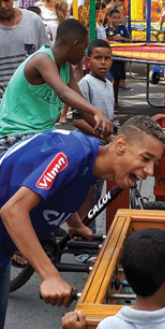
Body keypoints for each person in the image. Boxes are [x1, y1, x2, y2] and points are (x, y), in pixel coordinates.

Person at [0, 116, 165, 329]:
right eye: (145, 159)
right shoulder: (71, 155)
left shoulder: (91, 159)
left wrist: (75, 223)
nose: (150, 171)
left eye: (156, 163)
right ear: (120, 145)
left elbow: (62, 186)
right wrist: (50, 276)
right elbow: (13, 211)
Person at [0, 19, 113, 152]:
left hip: (41, 132)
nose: (84, 54)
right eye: (84, 48)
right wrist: (97, 111)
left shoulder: (65, 66)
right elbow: (64, 93)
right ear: (75, 45)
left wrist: (112, 140)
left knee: (88, 150)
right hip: (14, 133)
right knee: (72, 154)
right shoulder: (42, 60)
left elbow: (82, 107)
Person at [0, 0, 51, 140]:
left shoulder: (33, 21)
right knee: (4, 164)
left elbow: (49, 64)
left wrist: (52, 105)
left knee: (36, 163)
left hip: (35, 110)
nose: (3, 6)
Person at [73, 39, 116, 223]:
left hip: (105, 147)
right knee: (86, 194)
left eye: (107, 58)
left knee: (99, 195)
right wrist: (102, 134)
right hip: (89, 147)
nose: (103, 62)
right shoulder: (86, 84)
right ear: (87, 60)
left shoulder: (108, 84)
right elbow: (77, 120)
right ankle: (82, 235)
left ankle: (90, 232)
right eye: (98, 58)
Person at [105, 8, 133, 107]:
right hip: (110, 58)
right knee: (110, 80)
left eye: (118, 18)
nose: (116, 20)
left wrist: (121, 39)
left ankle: (115, 100)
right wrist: (111, 41)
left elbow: (130, 40)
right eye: (114, 18)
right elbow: (103, 42)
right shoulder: (106, 30)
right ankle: (109, 101)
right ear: (109, 18)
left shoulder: (122, 28)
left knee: (117, 80)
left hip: (120, 58)